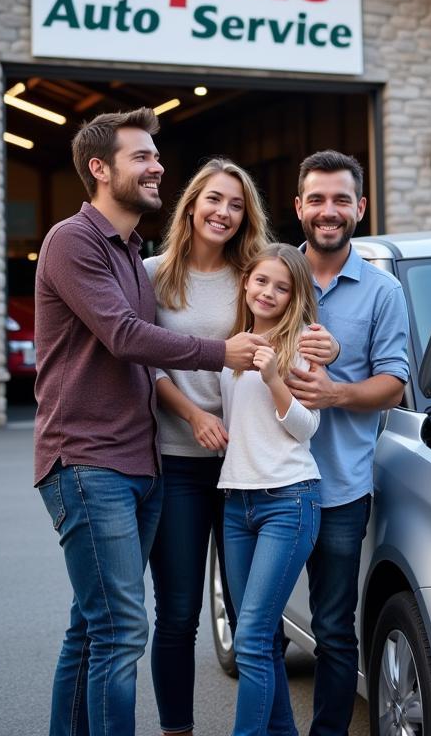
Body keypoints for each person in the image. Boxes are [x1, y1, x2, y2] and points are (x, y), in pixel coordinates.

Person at [32, 109, 265, 736]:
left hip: (140, 462)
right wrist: (221, 353)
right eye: (142, 156)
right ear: (100, 169)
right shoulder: (72, 241)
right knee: (121, 629)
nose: (157, 165)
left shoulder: (132, 253)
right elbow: (125, 337)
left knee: (91, 624)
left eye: (156, 155)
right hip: (87, 459)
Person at [142, 158, 271, 736]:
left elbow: (291, 327)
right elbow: (142, 362)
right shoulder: (151, 275)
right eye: (214, 200)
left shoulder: (253, 276)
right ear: (191, 204)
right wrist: (194, 415)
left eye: (236, 204)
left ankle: (262, 727)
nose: (223, 212)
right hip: (178, 464)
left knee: (252, 618)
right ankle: (178, 731)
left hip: (247, 468)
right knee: (176, 614)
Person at [285, 151, 411, 736]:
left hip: (340, 488)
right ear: (299, 207)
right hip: (267, 485)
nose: (327, 211)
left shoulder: (382, 292)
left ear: (360, 207)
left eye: (340, 199)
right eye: (316, 199)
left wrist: (334, 394)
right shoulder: (271, 281)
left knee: (334, 627)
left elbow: (394, 383)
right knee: (256, 623)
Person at [220, 243, 323, 736]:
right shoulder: (232, 346)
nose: (269, 292)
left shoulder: (302, 344)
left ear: (294, 297)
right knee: (254, 637)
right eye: (261, 281)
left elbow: (307, 428)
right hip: (236, 501)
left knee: (255, 638)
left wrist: (275, 377)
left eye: (281, 287)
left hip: (289, 499)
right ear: (246, 283)